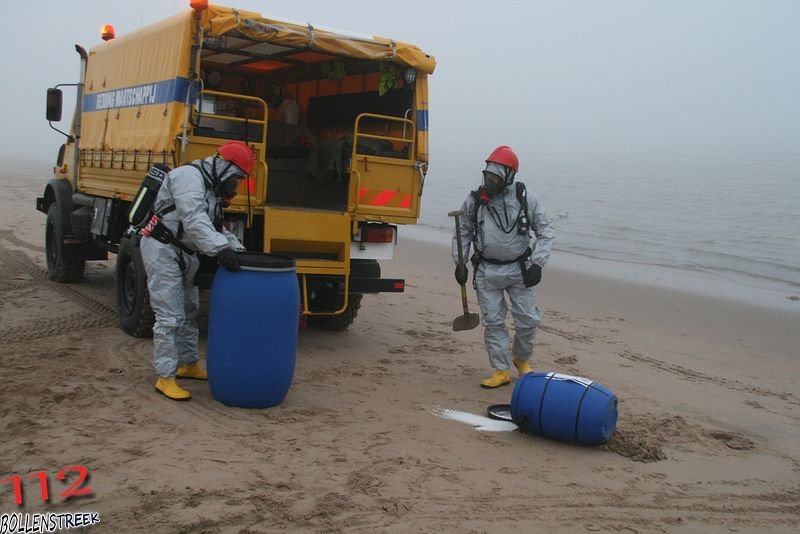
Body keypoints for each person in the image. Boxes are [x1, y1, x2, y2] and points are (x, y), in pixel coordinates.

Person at [140, 141, 255, 401]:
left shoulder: (211, 190)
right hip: (162, 250)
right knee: (169, 315)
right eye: (236, 177)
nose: (236, 184)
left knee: (189, 311)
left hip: (186, 253)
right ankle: (165, 377)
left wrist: (237, 248)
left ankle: (188, 364)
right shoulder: (187, 177)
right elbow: (194, 219)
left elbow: (215, 226)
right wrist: (219, 250)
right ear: (224, 167)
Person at [452, 146, 556, 388]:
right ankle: (501, 370)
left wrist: (538, 264)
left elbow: (546, 231)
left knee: (528, 320)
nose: (490, 182)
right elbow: (463, 232)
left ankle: (521, 359)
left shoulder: (525, 197)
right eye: (488, 176)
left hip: (520, 270)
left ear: (509, 176)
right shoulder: (475, 200)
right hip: (487, 272)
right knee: (493, 322)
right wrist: (459, 261)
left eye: (495, 178)